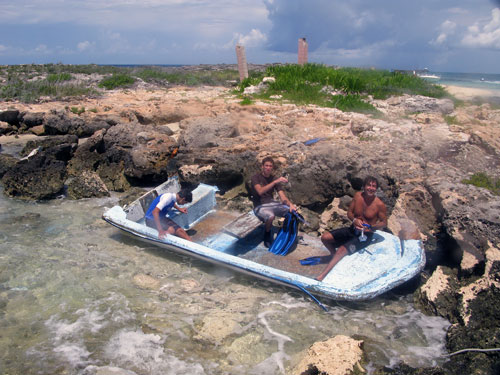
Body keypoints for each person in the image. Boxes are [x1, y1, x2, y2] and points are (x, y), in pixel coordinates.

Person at [316, 176, 387, 281]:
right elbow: (349, 213)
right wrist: (354, 220)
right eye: (369, 185)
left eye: (373, 186)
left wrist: (371, 227)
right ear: (364, 186)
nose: (371, 188)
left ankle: (322, 276)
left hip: (365, 235)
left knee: (342, 250)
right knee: (325, 238)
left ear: (376, 189)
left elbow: (384, 223)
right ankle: (333, 256)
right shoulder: (358, 196)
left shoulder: (379, 205)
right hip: (352, 229)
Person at [250, 156, 297, 247]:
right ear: (262, 167)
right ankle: (267, 234)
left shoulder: (274, 179)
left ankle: (285, 235)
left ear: (272, 167)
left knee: (291, 212)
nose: (268, 168)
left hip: (271, 204)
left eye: (270, 166)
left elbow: (282, 196)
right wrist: (275, 182)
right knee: (271, 216)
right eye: (266, 165)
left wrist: (291, 205)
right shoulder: (256, 178)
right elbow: (260, 191)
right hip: (259, 206)